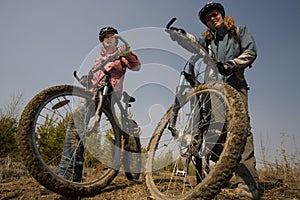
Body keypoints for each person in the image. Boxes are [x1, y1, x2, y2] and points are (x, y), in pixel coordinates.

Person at [166, 2, 260, 199]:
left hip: (235, 84)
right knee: (216, 131)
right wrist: (178, 34)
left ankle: (248, 185)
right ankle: (221, 173)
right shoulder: (208, 41)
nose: (212, 18)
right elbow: (192, 43)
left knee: (241, 132)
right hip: (213, 90)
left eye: (215, 14)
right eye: (207, 18)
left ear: (222, 15)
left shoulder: (238, 31)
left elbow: (250, 52)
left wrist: (230, 65)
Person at [40, 26, 141, 197]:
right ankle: (65, 178)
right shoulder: (98, 59)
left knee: (81, 129)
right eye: (105, 38)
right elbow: (93, 76)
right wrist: (87, 78)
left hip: (109, 95)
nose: (109, 40)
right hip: (92, 94)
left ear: (116, 39)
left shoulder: (121, 55)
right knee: (76, 128)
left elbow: (136, 66)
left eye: (112, 37)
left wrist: (128, 52)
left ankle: (69, 183)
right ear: (102, 41)